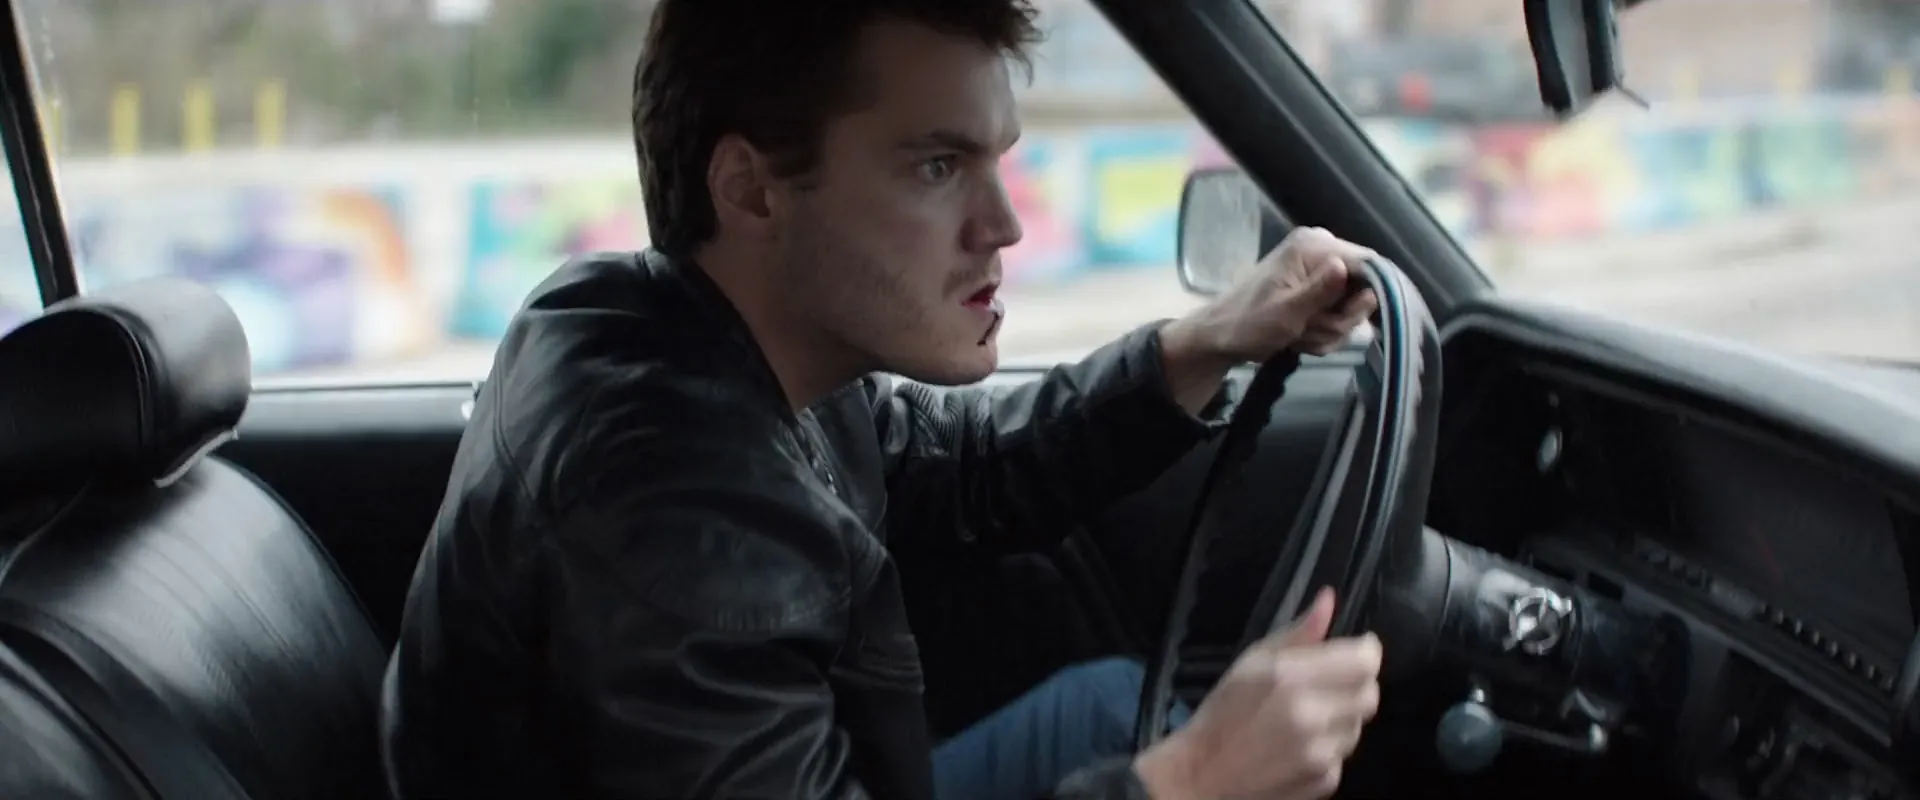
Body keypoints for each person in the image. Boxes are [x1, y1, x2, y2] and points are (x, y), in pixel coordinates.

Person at [379, 1, 1382, 798]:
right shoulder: (677, 541)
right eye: (938, 166)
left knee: (1113, 707)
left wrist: (1214, 336)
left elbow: (968, 472)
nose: (1004, 225)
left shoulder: (696, 337)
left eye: (997, 162)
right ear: (752, 188)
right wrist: (1192, 781)